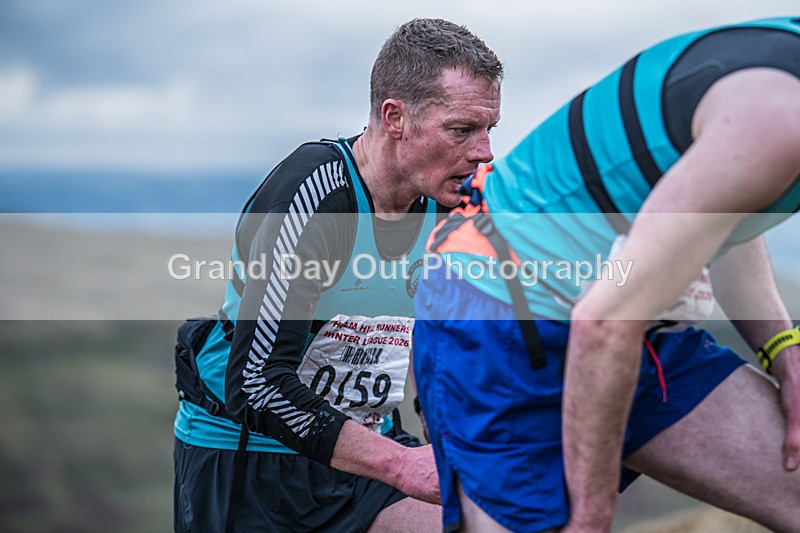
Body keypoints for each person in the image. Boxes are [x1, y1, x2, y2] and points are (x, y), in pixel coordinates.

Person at [413, 16, 800, 532]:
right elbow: (605, 320)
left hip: (628, 316)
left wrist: (785, 357)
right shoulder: (777, 117)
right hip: (499, 310)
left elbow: (731, 213)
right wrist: (592, 518)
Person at [172, 18, 503, 532]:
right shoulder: (318, 197)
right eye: (462, 129)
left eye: (488, 130)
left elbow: (438, 345)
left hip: (367, 455)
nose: (484, 151)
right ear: (395, 117)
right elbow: (256, 384)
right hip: (253, 461)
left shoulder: (447, 202)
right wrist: (405, 465)